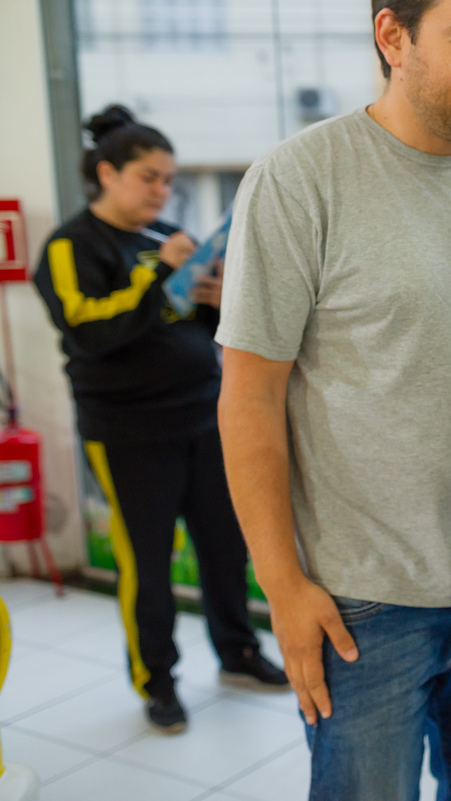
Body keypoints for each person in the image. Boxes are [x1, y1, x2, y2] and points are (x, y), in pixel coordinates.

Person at [214, 0, 451, 797]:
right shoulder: (299, 179)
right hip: (360, 606)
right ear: (393, 36)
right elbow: (249, 399)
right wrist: (282, 586)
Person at [32, 104, 287, 735]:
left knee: (225, 546)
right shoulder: (71, 245)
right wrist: (162, 276)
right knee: (146, 565)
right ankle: (158, 680)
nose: (162, 191)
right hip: (128, 432)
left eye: (169, 180)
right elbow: (89, 328)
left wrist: (218, 299)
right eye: (149, 177)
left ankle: (238, 651)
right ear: (108, 173)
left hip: (204, 416)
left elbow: (200, 326)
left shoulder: (167, 237)